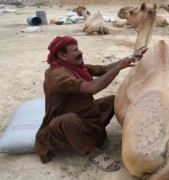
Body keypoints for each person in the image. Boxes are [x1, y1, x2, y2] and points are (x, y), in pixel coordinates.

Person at [35, 35, 148, 172]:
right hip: (66, 129)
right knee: (68, 120)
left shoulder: (75, 67)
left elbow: (104, 69)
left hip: (87, 119)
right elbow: (92, 88)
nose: (80, 52)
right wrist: (118, 68)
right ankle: (92, 151)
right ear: (62, 55)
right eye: (75, 50)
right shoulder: (56, 75)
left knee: (113, 99)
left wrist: (130, 58)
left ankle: (92, 135)